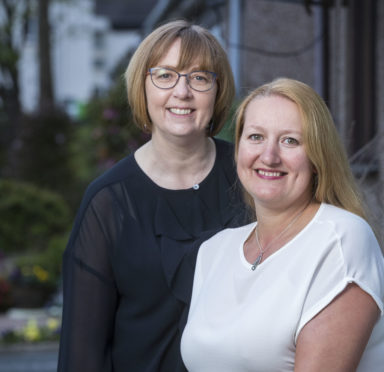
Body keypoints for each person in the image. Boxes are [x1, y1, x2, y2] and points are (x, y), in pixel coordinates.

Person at [57, 20, 247, 372]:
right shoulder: (108, 203)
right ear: (142, 86)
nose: (182, 91)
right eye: (165, 75)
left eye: (200, 77)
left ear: (218, 91)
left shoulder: (250, 177)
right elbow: (81, 353)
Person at [181, 78, 384, 371]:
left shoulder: (342, 240)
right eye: (255, 137)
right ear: (239, 148)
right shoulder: (214, 251)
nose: (269, 156)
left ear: (318, 157)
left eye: (290, 141)